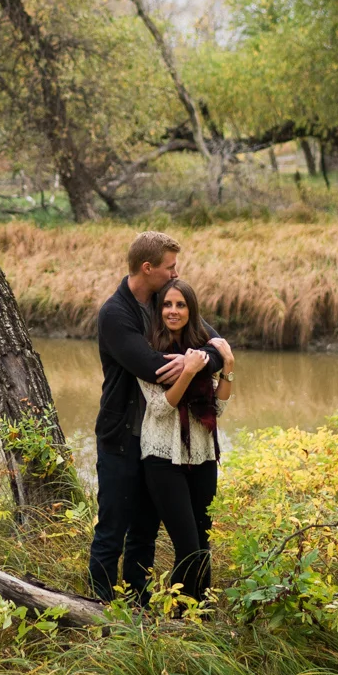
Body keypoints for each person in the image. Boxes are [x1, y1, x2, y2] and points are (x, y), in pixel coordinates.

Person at [89, 231, 234, 605]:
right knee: (112, 529)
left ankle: (137, 602)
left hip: (160, 441)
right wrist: (194, 362)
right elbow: (153, 368)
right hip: (123, 436)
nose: (176, 273)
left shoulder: (161, 301)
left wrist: (203, 359)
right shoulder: (116, 314)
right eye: (170, 267)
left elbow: (214, 346)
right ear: (147, 267)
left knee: (144, 530)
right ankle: (98, 608)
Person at [137, 277, 230, 601]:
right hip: (163, 458)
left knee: (203, 544)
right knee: (188, 546)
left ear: (192, 311)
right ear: (158, 309)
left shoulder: (204, 349)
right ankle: (178, 620)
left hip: (203, 455)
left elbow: (217, 405)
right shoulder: (148, 350)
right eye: (167, 304)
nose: (173, 311)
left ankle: (199, 618)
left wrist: (228, 368)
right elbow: (160, 407)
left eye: (180, 305)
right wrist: (188, 371)